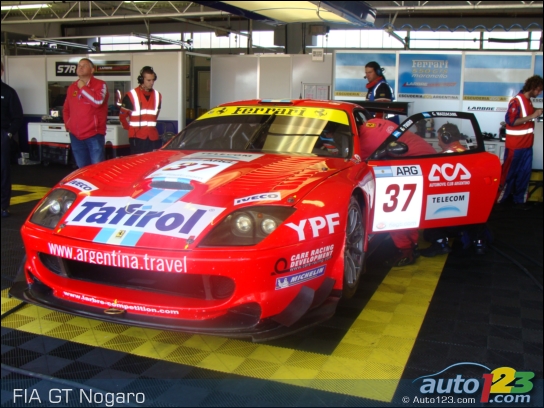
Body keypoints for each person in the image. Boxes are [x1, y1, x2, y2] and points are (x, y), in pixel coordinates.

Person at [359, 118, 436, 267]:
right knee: (407, 212)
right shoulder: (375, 122)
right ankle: (412, 246)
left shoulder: (365, 142)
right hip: (427, 166)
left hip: (416, 167)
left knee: (392, 213)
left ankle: (405, 251)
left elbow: (356, 164)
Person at [497, 75, 543, 210]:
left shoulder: (528, 102)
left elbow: (526, 116)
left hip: (527, 146)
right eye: (539, 90)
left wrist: (537, 112)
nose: (540, 93)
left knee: (524, 175)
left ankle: (519, 201)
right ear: (533, 87)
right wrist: (533, 116)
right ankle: (499, 201)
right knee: (508, 174)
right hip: (515, 147)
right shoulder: (516, 101)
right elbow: (511, 121)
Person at [63, 58, 109, 168]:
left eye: (84, 65)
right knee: (82, 169)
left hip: (94, 134)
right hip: (75, 136)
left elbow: (98, 101)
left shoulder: (100, 84)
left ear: (92, 70)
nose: (80, 67)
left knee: (97, 169)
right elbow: (66, 109)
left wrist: (83, 87)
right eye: (79, 65)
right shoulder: (72, 87)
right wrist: (68, 125)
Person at [119, 66, 162, 154]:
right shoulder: (131, 95)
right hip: (137, 138)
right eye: (149, 80)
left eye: (153, 80)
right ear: (142, 80)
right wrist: (132, 129)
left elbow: (155, 116)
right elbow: (122, 117)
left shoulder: (158, 95)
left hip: (153, 137)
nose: (152, 83)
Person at [1, 61, 24, 218]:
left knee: (3, 171)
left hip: (1, 135)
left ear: (1, 71)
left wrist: (8, 134)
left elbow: (17, 117)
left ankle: (3, 206)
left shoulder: (8, 92)